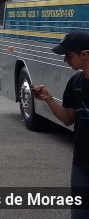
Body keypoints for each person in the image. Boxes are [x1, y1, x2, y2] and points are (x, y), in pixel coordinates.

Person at [33, 30, 89, 219]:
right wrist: (48, 99)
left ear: (85, 54)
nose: (65, 60)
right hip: (82, 162)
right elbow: (68, 118)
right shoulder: (75, 82)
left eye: (68, 55)